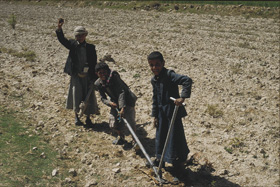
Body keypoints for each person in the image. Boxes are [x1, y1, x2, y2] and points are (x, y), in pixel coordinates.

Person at [147, 51, 192, 182]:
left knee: (175, 139)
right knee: (161, 137)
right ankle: (160, 159)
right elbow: (155, 98)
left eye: (157, 65)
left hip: (173, 113)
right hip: (162, 115)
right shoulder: (154, 79)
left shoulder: (169, 75)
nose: (154, 68)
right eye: (151, 65)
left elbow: (186, 80)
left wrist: (182, 97)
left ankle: (178, 166)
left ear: (163, 64)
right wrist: (155, 115)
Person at [55, 18, 99, 127]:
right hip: (76, 76)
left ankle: (88, 118)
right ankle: (76, 117)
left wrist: (94, 76)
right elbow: (63, 40)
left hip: (87, 76)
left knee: (88, 96)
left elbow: (94, 62)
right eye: (77, 36)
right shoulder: (72, 45)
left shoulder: (91, 48)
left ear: (85, 35)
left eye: (81, 35)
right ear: (75, 37)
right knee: (76, 95)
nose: (80, 37)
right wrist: (59, 28)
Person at [94, 62, 138, 146]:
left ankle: (134, 141)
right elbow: (103, 98)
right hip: (115, 103)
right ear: (97, 74)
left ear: (107, 71)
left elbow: (122, 92)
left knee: (130, 121)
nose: (103, 75)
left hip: (127, 100)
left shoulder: (114, 77)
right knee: (113, 123)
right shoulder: (98, 84)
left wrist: (122, 108)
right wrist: (110, 103)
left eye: (104, 72)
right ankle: (121, 137)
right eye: (100, 73)